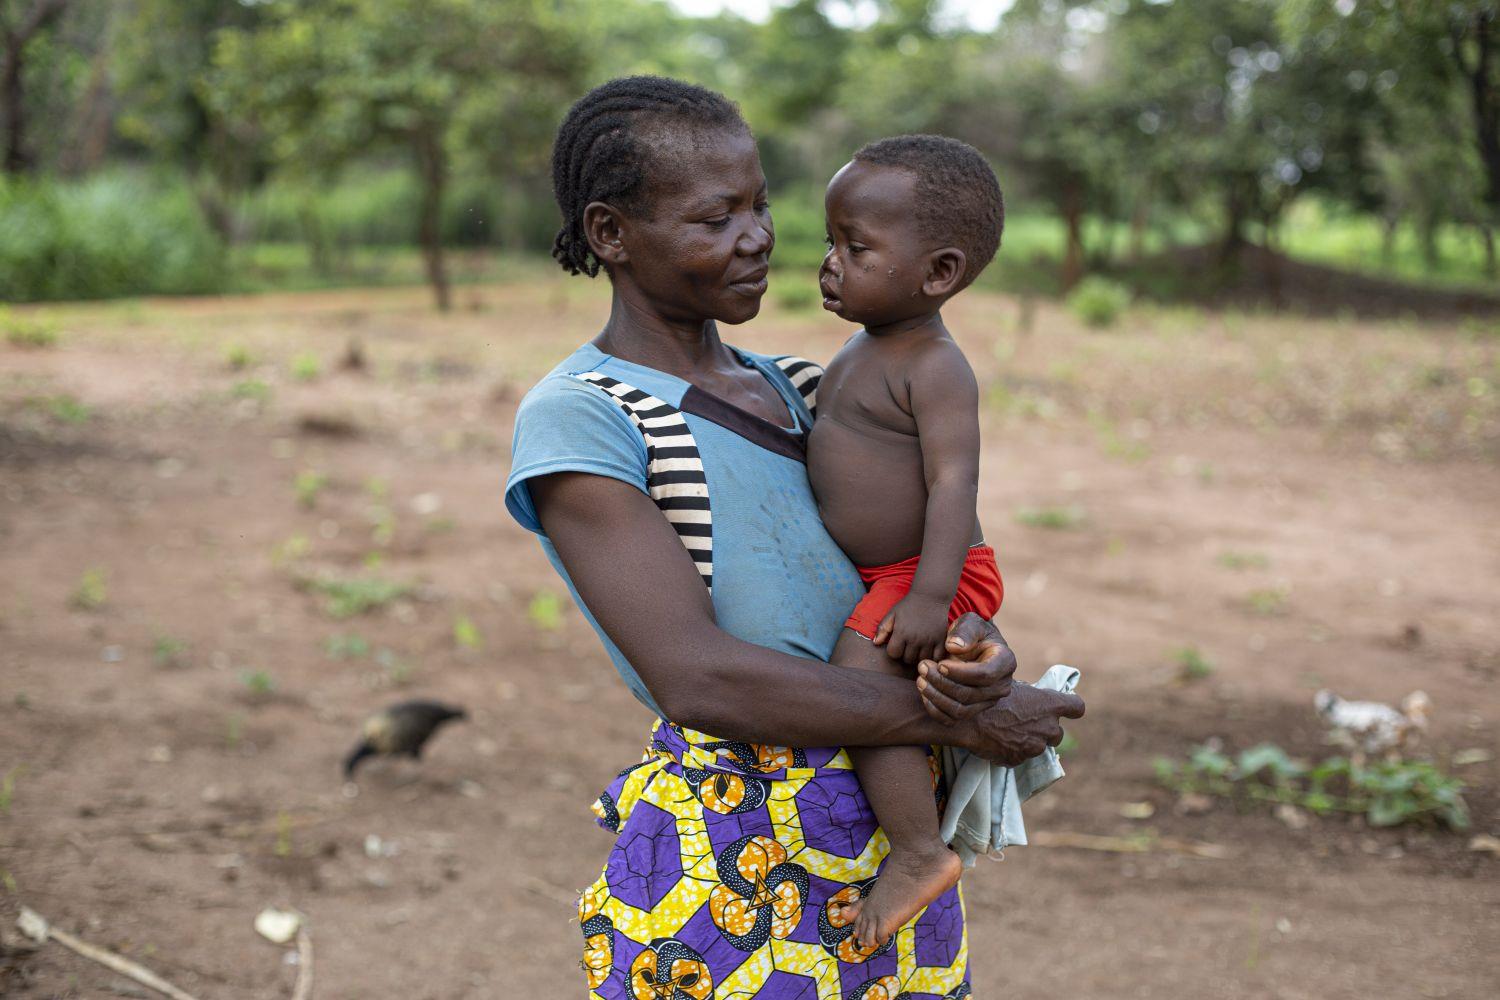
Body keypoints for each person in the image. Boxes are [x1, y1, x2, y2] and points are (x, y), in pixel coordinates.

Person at [504, 76, 1083, 999]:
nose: (760, 236)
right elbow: (697, 675)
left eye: (761, 204)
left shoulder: (807, 388)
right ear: (611, 233)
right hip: (733, 840)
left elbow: (932, 564)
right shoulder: (584, 418)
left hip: (882, 825)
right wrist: (956, 718)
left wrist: (974, 652)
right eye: (714, 217)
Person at [807, 135, 1007, 951]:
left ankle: (921, 853)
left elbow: (953, 486)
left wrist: (930, 595)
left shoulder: (934, 365)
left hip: (934, 570)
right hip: (897, 570)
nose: (828, 263)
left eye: (854, 248)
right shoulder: (864, 347)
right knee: (869, 663)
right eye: (829, 242)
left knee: (861, 666)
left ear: (939, 274)